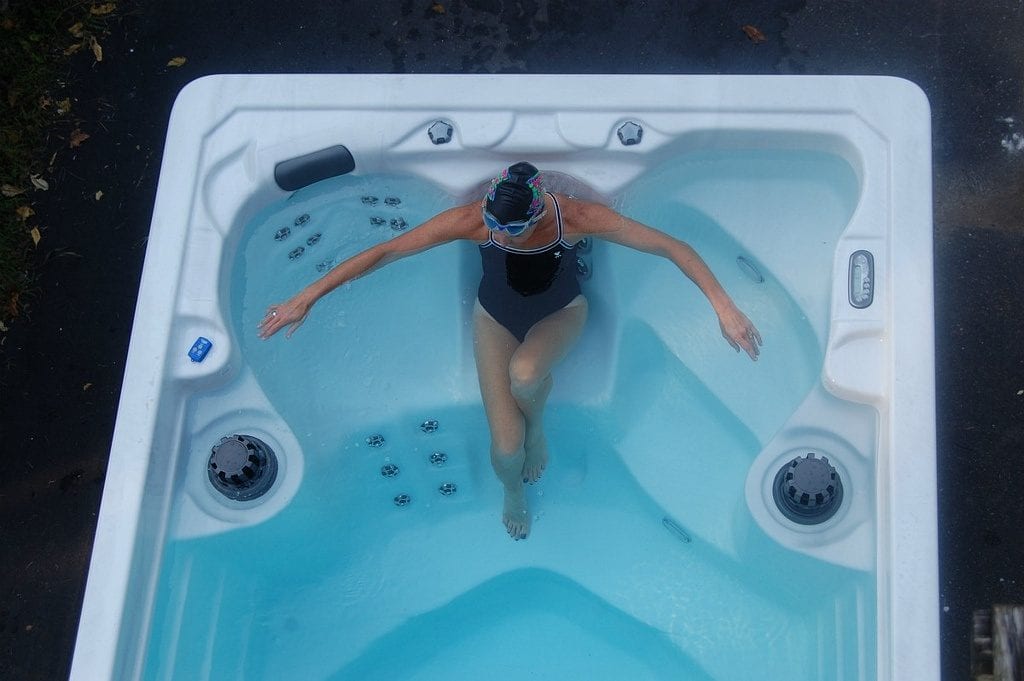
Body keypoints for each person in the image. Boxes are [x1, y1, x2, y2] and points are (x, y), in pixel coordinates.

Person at [258, 162, 762, 540]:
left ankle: (538, 432)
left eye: (510, 230)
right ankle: (513, 490)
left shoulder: (579, 218)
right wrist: (306, 298)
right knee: (503, 448)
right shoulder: (476, 221)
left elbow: (672, 246)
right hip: (494, 318)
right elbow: (388, 250)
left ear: (539, 208)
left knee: (524, 373)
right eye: (493, 227)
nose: (497, 236)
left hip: (561, 313)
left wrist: (724, 307)